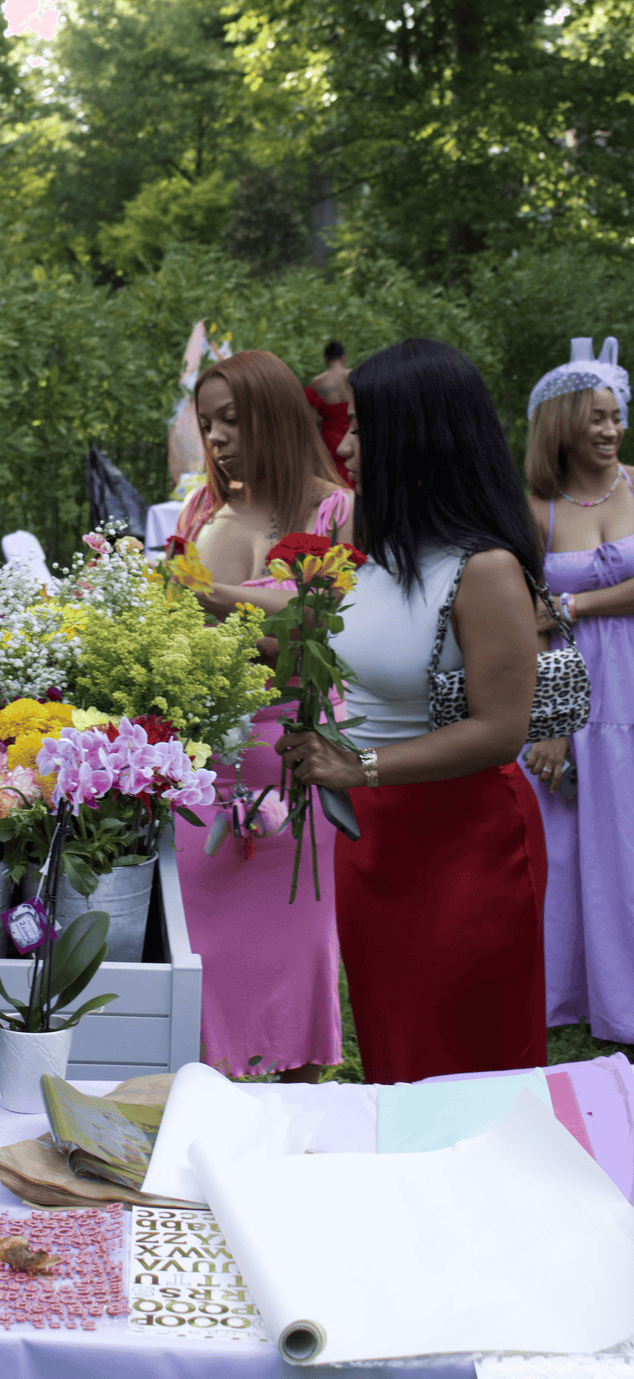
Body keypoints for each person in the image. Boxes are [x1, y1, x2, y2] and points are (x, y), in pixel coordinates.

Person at [276, 339, 548, 1085]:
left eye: (363, 427)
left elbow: (502, 730)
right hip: (374, 842)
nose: (347, 445)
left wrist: (357, 764)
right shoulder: (375, 559)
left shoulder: (483, 567)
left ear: (415, 437)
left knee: (467, 1070)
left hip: (467, 845)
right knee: (395, 1061)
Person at [174, 348, 353, 1082]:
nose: (216, 439)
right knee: (203, 950)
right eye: (208, 423)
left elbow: (326, 621)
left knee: (297, 945)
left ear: (275, 417)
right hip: (209, 757)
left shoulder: (336, 508)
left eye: (233, 421)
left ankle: (296, 1101)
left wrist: (222, 599)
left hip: (296, 752)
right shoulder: (200, 510)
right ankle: (202, 1096)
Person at [518, 337, 634, 1042]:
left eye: (617, 416)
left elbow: (554, 609)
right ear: (561, 423)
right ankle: (575, 997)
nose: (612, 430)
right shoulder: (536, 511)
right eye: (597, 417)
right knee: (568, 848)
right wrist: (551, 725)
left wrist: (575, 605)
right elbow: (526, 623)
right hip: (570, 692)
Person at [304, 339, 351, 487]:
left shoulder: (317, 383)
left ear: (325, 359)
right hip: (355, 436)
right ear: (344, 357)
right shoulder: (356, 377)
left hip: (330, 440)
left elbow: (310, 422)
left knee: (335, 479)